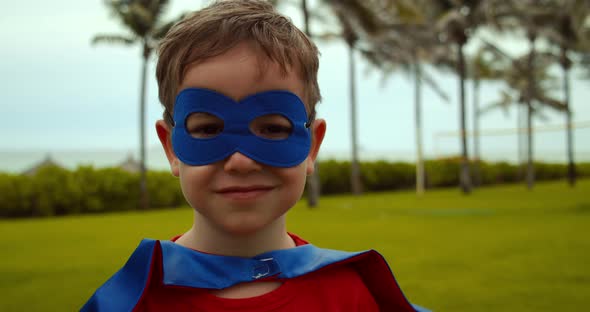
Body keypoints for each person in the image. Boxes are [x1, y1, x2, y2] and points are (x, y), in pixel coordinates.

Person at [81, 1, 429, 311]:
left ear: (311, 146)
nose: (241, 161)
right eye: (207, 130)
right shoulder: (130, 302)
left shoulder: (353, 297)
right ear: (171, 147)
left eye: (273, 129)